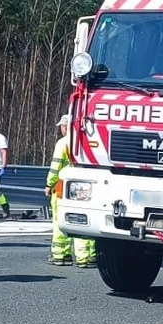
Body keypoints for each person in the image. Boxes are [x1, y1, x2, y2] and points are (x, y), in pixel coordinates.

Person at [47, 113, 95, 267]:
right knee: (85, 221)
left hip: (63, 186)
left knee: (60, 220)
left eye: (62, 126)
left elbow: (55, 167)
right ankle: (89, 256)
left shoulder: (63, 143)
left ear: (65, 127)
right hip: (87, 186)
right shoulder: (88, 140)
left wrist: (49, 185)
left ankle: (61, 255)